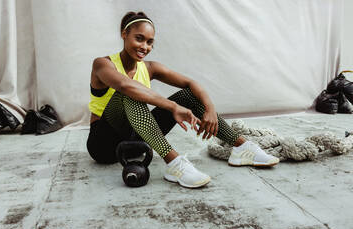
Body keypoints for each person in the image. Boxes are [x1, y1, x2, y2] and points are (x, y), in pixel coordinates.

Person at [86, 11, 279, 188]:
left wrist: (209, 108)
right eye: (139, 39)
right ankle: (175, 164)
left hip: (137, 141)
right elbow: (125, 86)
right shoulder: (102, 64)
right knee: (129, 93)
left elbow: (190, 83)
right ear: (124, 34)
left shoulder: (150, 67)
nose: (145, 47)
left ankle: (241, 147)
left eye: (150, 42)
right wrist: (173, 107)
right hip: (103, 144)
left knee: (188, 95)